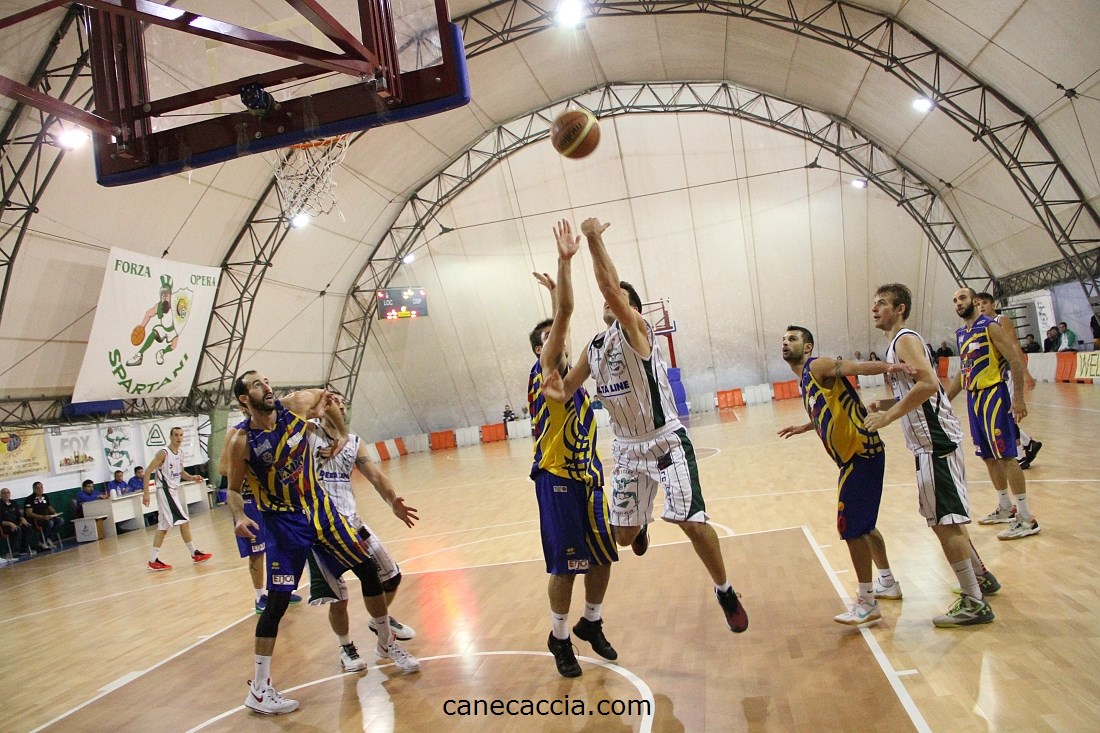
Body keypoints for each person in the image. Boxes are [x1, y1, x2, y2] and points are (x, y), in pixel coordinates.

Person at [542, 218, 748, 633]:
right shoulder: (594, 347)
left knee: (691, 521)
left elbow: (608, 288)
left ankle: (724, 590)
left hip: (665, 441)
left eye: (618, 298)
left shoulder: (638, 330)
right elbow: (567, 390)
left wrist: (593, 238)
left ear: (629, 307)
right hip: (627, 450)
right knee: (622, 538)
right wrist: (556, 389)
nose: (609, 302)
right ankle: (640, 527)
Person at [226, 372, 418, 716]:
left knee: (368, 570)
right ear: (244, 399)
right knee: (277, 604)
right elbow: (232, 489)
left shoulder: (293, 406)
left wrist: (340, 433)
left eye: (266, 381)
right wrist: (239, 515)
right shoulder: (241, 439)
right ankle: (259, 689)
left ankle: (386, 643)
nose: (266, 386)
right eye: (257, 385)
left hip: (320, 509)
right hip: (283, 523)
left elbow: (327, 397)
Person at [864, 283, 997, 627]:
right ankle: (980, 577)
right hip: (931, 440)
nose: (875, 308)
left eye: (882, 303)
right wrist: (889, 403)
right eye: (874, 303)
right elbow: (920, 389)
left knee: (945, 520)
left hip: (934, 441)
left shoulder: (904, 339)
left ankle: (974, 601)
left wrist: (888, 417)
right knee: (946, 518)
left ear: (900, 309)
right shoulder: (897, 343)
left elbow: (928, 384)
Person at [528, 220, 618, 678]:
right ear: (541, 352)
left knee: (603, 556)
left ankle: (591, 621)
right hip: (556, 477)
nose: (559, 343)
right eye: (549, 342)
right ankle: (559, 636)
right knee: (566, 566)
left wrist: (554, 296)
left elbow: (560, 323)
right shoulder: (545, 376)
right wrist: (564, 263)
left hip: (589, 477)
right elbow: (563, 317)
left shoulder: (574, 379)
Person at [777, 326, 909, 627]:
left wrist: (889, 366)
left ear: (808, 347)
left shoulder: (817, 365)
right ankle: (887, 582)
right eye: (783, 340)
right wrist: (805, 427)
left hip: (860, 454)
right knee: (865, 526)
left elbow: (855, 366)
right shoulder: (805, 380)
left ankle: (867, 602)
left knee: (850, 528)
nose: (785, 343)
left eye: (792, 339)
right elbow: (827, 409)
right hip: (859, 456)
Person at [306, 392, 420, 673]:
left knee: (391, 576)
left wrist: (392, 501)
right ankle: (346, 647)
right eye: (334, 401)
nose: (340, 406)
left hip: (352, 522)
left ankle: (379, 623)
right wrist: (315, 405)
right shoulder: (308, 433)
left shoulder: (354, 443)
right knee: (339, 599)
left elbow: (375, 476)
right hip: (321, 528)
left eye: (343, 403)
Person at [947, 288, 1040, 540]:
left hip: (994, 395)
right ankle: (1005, 507)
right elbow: (963, 372)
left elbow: (1014, 361)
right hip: (974, 398)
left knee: (1006, 455)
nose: (958, 303)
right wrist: (943, 401)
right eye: (955, 300)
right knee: (988, 457)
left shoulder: (990, 327)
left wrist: (1018, 398)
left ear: (975, 301)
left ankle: (1026, 517)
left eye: (962, 298)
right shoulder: (961, 334)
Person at [217, 407, 302, 613]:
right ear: (243, 407)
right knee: (257, 550)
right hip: (248, 498)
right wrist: (248, 467)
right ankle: (259, 596)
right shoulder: (237, 434)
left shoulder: (273, 429)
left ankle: (281, 588)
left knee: (281, 542)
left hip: (271, 496)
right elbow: (222, 468)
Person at [974, 293, 1042, 470]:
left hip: (1009, 372)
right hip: (994, 375)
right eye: (978, 304)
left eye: (985, 303)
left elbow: (1014, 346)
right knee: (1003, 414)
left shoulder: (1001, 320)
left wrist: (1025, 373)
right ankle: (1028, 443)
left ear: (993, 304)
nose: (981, 307)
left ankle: (1020, 455)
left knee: (1008, 413)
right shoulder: (980, 325)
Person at [142, 427, 213, 571]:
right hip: (165, 490)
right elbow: (148, 471)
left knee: (163, 528)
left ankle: (153, 560)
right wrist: (146, 493)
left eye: (181, 435)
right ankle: (194, 553)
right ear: (170, 436)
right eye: (176, 435)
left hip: (173, 491)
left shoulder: (180, 453)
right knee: (184, 521)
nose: (179, 438)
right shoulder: (163, 453)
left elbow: (181, 472)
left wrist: (192, 477)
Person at [2, 487, 42, 554]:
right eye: (4, 493)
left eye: (8, 493)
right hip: (5, 526)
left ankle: (24, 549)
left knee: (28, 527)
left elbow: (19, 515)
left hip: (16, 524)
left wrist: (23, 519)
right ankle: (9, 552)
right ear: (1, 495)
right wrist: (10, 524)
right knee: (17, 530)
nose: (6, 494)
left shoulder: (13, 503)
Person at [24, 481, 63, 548]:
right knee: (50, 523)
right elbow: (29, 514)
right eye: (38, 488)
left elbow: (49, 507)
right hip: (36, 520)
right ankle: (42, 541)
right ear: (34, 489)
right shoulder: (29, 499)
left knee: (60, 520)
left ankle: (49, 538)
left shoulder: (45, 496)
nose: (40, 489)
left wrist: (54, 513)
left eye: (41, 487)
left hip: (47, 517)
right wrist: (42, 517)